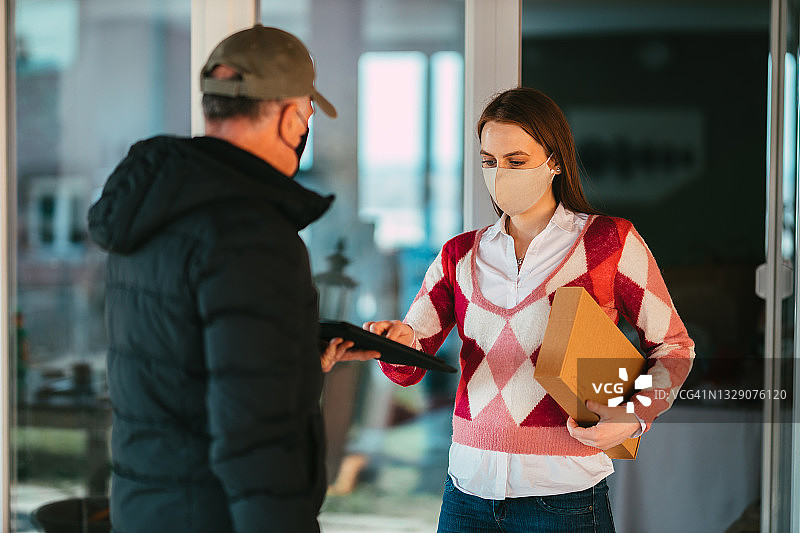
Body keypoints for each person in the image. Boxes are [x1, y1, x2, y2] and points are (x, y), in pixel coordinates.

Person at [361, 87, 695, 533]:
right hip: (466, 494)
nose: (499, 175)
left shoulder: (609, 243)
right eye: (489, 161)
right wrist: (395, 345)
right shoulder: (458, 254)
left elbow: (674, 348)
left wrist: (635, 415)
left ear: (554, 161)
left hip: (564, 497)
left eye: (515, 161)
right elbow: (412, 360)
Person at [88, 25, 345, 533]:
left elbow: (182, 365)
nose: (303, 129)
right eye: (307, 114)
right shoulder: (251, 233)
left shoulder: (152, 212)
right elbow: (255, 437)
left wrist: (294, 359)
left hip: (145, 509)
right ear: (290, 115)